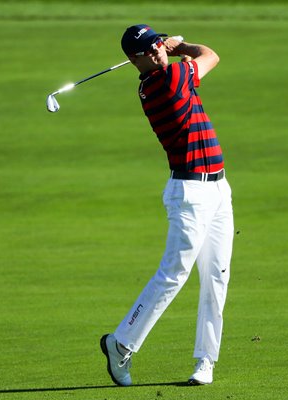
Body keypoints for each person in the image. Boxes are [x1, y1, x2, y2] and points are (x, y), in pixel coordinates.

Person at [99, 24, 234, 387]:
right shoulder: (167, 80)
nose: (158, 51)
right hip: (189, 192)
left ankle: (205, 362)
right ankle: (121, 342)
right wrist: (181, 45)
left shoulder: (164, 74)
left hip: (219, 188)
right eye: (150, 49)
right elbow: (210, 55)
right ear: (134, 60)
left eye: (158, 44)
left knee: (217, 276)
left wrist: (169, 47)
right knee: (174, 273)